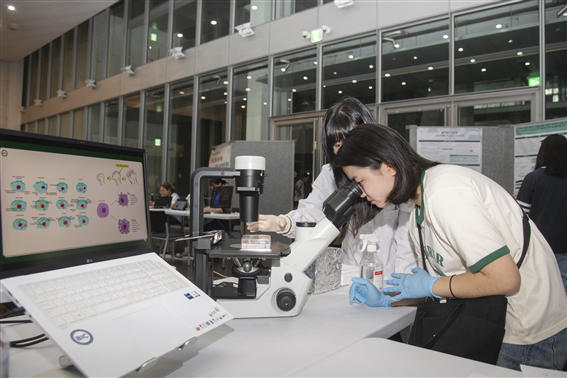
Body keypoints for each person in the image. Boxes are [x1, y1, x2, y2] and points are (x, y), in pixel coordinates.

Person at [333, 123, 567, 371]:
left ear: (387, 166)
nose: (360, 193)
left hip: (529, 330)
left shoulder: (446, 192)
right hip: (497, 323)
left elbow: (506, 280)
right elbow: (445, 284)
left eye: (360, 181)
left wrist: (429, 285)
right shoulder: (418, 211)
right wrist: (389, 299)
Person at [247, 97, 417, 282]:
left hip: (389, 278)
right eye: (338, 145)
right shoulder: (330, 174)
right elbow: (312, 213)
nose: (347, 149)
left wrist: (401, 288)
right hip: (350, 274)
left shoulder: (388, 175)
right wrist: (283, 223)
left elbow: (407, 242)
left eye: (353, 139)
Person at [517, 134, 567, 294]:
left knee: (540, 291)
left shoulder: (533, 179)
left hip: (538, 246)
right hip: (564, 247)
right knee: (563, 289)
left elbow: (521, 216)